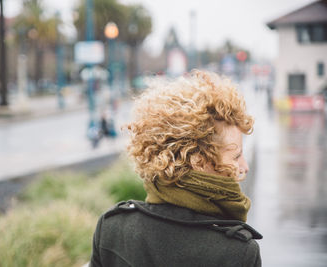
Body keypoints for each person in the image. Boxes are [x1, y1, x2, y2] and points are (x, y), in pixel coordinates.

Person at [89, 70, 262, 267]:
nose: (244, 166)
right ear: (198, 160)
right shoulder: (237, 252)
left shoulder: (113, 228)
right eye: (237, 155)